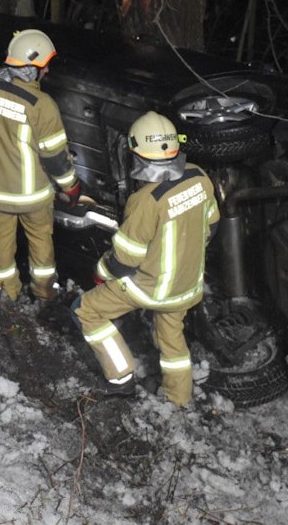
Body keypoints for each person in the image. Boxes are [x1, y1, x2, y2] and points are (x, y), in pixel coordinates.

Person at [72, 111, 219, 406]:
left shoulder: (145, 201)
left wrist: (101, 269)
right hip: (187, 285)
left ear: (137, 153)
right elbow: (211, 226)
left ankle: (121, 377)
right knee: (171, 339)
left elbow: (126, 259)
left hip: (151, 289)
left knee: (85, 310)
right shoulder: (200, 178)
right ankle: (178, 399)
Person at [0, 28, 81, 303]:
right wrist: (71, 187)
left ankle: (5, 295)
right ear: (33, 68)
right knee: (41, 244)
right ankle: (44, 295)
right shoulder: (42, 105)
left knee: (1, 243)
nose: (47, 72)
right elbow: (55, 157)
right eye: (45, 66)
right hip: (33, 198)